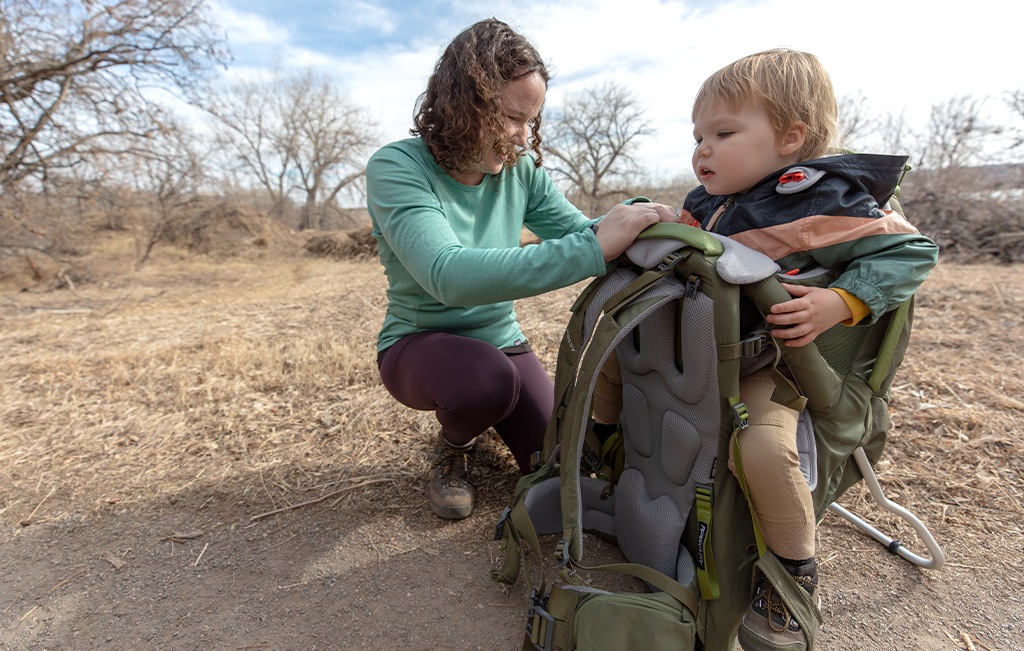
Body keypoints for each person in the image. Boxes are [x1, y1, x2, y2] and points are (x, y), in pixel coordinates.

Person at [590, 49, 938, 650]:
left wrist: (843, 300)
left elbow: (912, 252)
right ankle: (600, 453)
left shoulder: (822, 200)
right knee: (609, 357)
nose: (702, 148)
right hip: (697, 348)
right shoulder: (710, 202)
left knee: (761, 448)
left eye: (723, 133)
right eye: (698, 134)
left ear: (790, 138)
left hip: (770, 365)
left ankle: (792, 575)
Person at [365, 18, 677, 522]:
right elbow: (449, 276)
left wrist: (638, 219)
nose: (522, 136)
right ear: (463, 104)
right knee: (484, 384)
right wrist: (596, 245)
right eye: (511, 117)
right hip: (417, 345)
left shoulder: (521, 171)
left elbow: (581, 232)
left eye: (530, 121)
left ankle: (496, 414)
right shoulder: (397, 168)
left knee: (561, 466)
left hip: (501, 340)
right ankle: (454, 445)